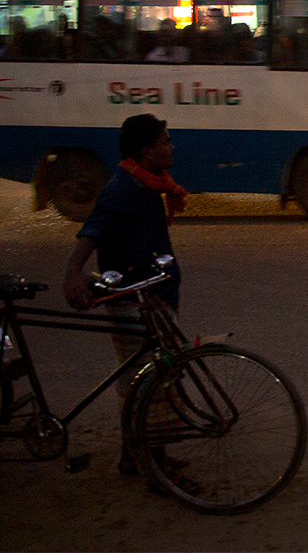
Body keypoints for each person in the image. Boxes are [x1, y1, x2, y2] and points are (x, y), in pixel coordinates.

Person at [63, 114, 189, 481]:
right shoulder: (122, 189)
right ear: (147, 152)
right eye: (165, 141)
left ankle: (133, 457)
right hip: (133, 301)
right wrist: (72, 276)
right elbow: (92, 231)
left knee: (141, 380)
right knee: (152, 381)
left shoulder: (148, 184)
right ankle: (156, 468)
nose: (171, 147)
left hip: (152, 297)